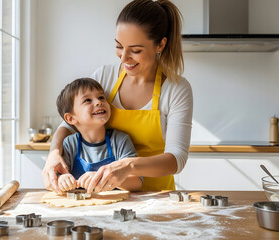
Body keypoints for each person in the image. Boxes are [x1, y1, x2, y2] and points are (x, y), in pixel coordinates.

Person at [42, 0, 193, 194]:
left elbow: (177, 159)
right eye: (119, 46)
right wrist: (53, 154)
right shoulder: (105, 76)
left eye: (136, 50)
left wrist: (128, 166)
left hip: (157, 197)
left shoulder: (176, 89)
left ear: (160, 45)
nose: (123, 58)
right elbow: (69, 124)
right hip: (109, 196)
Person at [54, 78, 142, 192]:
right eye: (87, 100)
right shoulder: (69, 143)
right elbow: (55, 178)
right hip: (79, 208)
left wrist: (103, 178)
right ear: (70, 118)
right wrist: (62, 179)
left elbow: (137, 183)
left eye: (101, 97)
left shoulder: (120, 141)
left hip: (115, 207)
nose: (98, 102)